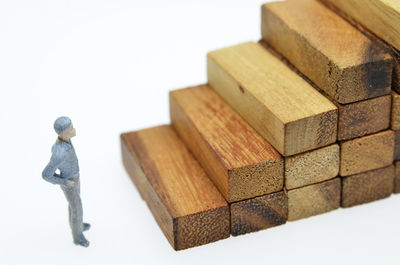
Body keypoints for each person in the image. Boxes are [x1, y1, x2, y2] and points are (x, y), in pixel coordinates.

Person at [42, 116, 90, 247]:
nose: (74, 129)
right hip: (69, 182)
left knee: (74, 206)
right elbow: (46, 175)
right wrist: (64, 182)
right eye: (70, 128)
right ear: (62, 132)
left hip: (75, 178)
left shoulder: (66, 140)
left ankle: (78, 226)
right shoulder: (59, 152)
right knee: (77, 209)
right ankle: (77, 236)